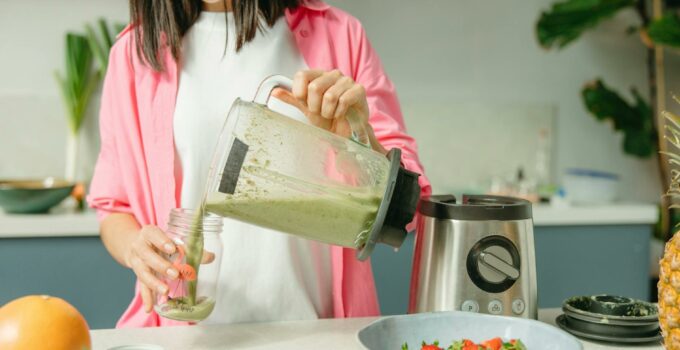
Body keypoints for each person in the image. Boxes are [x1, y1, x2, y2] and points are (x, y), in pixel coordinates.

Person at [87, 0, 431, 328]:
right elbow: (113, 207)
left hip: (319, 330)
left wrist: (356, 141)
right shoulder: (133, 54)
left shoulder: (341, 35)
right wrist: (136, 249)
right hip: (184, 335)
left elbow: (409, 207)